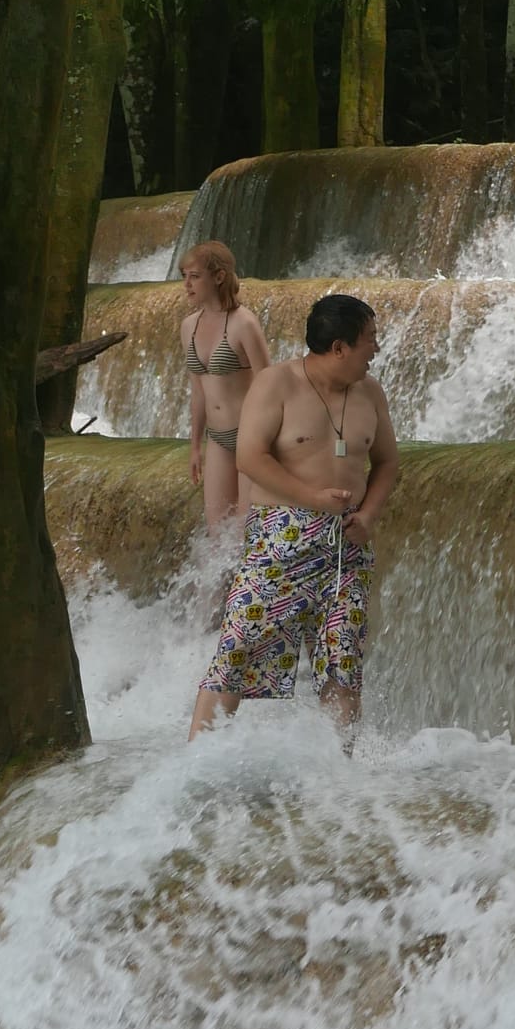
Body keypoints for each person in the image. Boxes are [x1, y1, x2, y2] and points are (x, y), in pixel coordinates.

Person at [189, 292, 399, 739]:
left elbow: (386, 463)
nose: (376, 349)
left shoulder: (370, 392)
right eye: (370, 340)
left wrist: (370, 516)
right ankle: (195, 769)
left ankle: (335, 778)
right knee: (236, 651)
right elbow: (249, 457)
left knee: (343, 666)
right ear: (339, 347)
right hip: (280, 538)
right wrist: (313, 498)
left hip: (348, 545)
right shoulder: (277, 382)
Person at [178, 241, 272, 529]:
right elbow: (198, 392)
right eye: (184, 276)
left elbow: (270, 385)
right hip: (217, 438)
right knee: (217, 533)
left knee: (246, 530)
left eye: (194, 276)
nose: (187, 285)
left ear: (218, 277)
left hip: (249, 436)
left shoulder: (244, 323)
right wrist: (195, 447)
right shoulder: (188, 326)